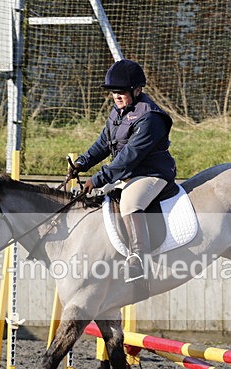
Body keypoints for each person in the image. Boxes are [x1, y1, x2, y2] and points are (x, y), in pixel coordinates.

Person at [69, 59, 176, 282]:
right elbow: (103, 143)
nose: (117, 96)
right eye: (113, 92)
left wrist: (97, 179)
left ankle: (138, 259)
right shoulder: (118, 112)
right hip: (129, 172)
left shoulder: (150, 117)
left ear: (137, 90)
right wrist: (82, 163)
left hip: (152, 173)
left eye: (122, 92)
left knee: (130, 203)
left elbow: (129, 157)